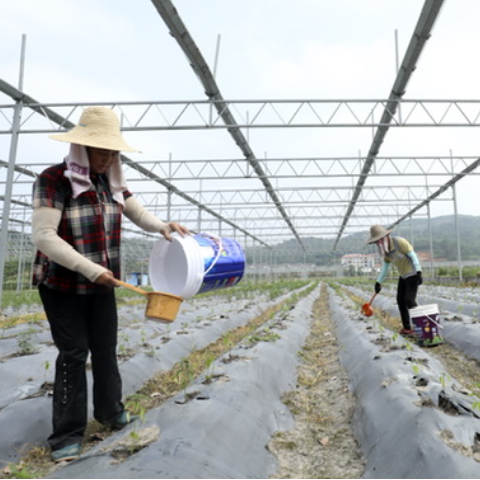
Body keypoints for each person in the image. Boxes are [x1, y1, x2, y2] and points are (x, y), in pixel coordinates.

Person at [31, 107, 190, 463]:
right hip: (61, 284)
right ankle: (67, 434)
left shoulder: (110, 182)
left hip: (101, 283)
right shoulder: (53, 179)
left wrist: (164, 226)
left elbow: (137, 211)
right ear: (82, 148)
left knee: (105, 348)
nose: (108, 158)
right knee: (74, 354)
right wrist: (90, 269)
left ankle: (110, 411)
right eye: (102, 151)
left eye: (113, 152)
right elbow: (44, 237)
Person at [367, 225, 423, 336]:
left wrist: (419, 271)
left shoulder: (399, 242)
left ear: (386, 236)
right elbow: (385, 267)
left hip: (413, 273)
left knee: (409, 300)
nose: (379, 243)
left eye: (380, 240)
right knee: (400, 300)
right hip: (403, 276)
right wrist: (379, 282)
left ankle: (421, 326)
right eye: (376, 242)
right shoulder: (385, 251)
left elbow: (413, 256)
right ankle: (407, 328)